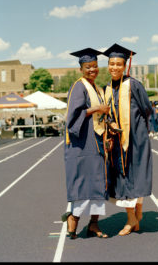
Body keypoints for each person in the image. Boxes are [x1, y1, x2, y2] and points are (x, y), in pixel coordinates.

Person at [102, 43, 153, 236]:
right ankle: (135, 217)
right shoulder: (108, 88)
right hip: (117, 142)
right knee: (124, 178)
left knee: (134, 177)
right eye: (111, 63)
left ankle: (132, 219)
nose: (114, 67)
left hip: (136, 141)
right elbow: (107, 113)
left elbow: (147, 109)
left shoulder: (134, 85)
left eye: (118, 64)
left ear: (125, 66)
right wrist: (111, 124)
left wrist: (138, 132)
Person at [62, 47, 110, 239]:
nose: (92, 70)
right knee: (82, 182)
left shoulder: (97, 88)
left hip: (96, 141)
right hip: (81, 142)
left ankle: (94, 224)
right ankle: (73, 219)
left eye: (95, 66)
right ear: (81, 68)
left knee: (98, 182)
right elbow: (73, 116)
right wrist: (97, 108)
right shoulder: (78, 87)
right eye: (88, 67)